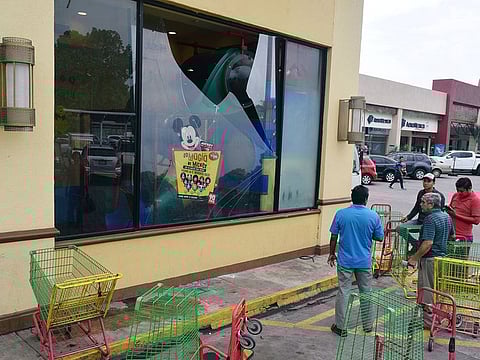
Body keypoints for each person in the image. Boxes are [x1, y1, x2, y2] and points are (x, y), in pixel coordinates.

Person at [328, 185, 384, 337]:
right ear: (366, 199)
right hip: (364, 262)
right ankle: (367, 325)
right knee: (366, 292)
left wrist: (332, 254)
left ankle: (340, 326)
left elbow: (333, 236)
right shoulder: (373, 216)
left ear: (352, 198)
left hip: (345, 261)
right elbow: (379, 237)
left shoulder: (341, 214)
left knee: (343, 292)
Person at [408, 193, 455, 306]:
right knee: (436, 289)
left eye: (423, 202)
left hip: (430, 259)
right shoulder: (446, 216)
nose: (421, 205)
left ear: (431, 204)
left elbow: (428, 243)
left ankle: (427, 319)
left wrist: (414, 258)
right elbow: (452, 236)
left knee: (426, 291)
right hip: (442, 257)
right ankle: (435, 315)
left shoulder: (430, 219)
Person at [446, 177, 480, 243]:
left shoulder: (475, 200)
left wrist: (456, 215)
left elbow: (476, 221)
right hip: (451, 234)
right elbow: (451, 209)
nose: (459, 193)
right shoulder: (455, 195)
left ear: (469, 188)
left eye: (461, 191)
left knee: (460, 253)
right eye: (457, 190)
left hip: (464, 236)